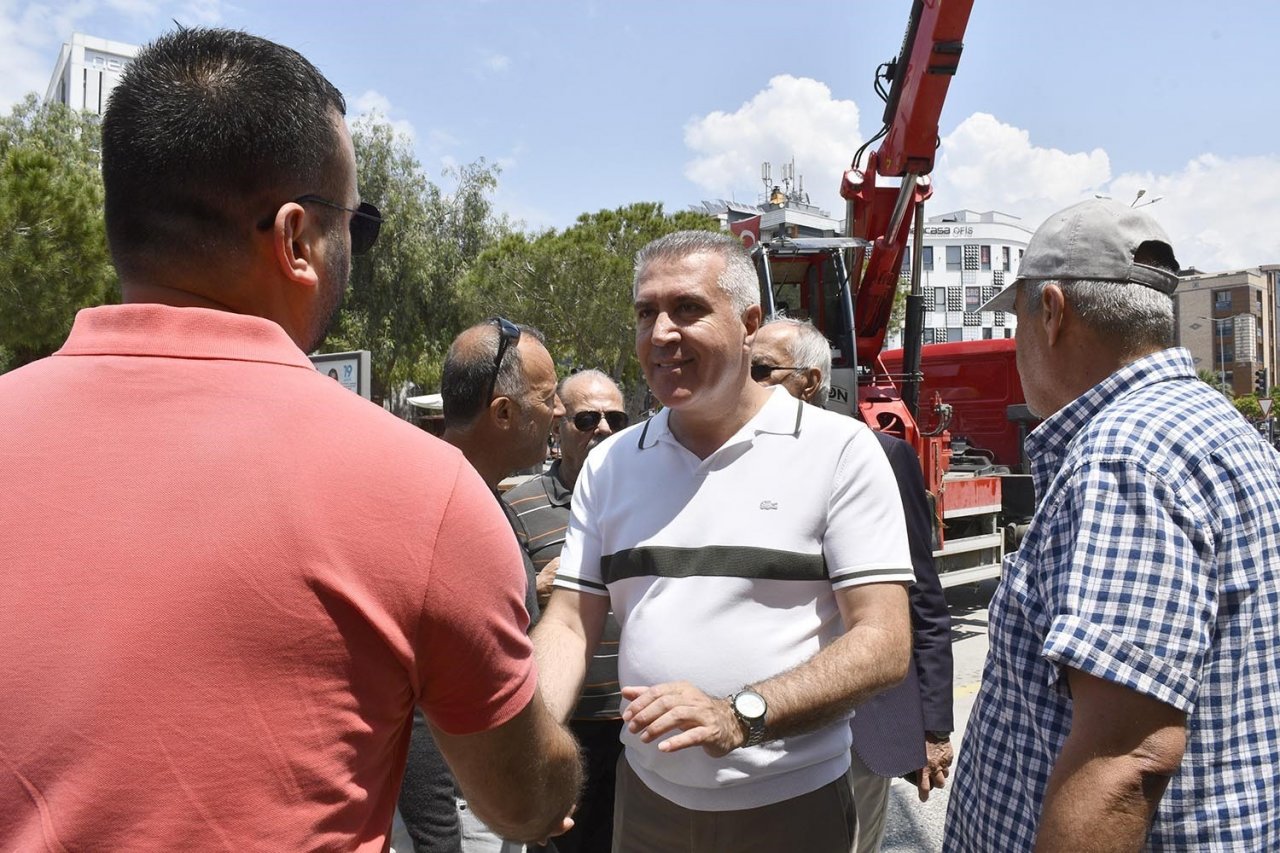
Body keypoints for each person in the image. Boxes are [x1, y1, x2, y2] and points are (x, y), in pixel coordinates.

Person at [0, 28, 580, 851]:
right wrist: (561, 638)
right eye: (358, 225)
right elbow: (523, 803)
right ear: (297, 239)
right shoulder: (422, 492)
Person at [533, 230, 915, 852]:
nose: (661, 333)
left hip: (792, 805)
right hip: (647, 802)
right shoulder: (610, 465)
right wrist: (532, 746)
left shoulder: (839, 450)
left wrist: (741, 715)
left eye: (687, 308)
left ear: (749, 324)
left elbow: (884, 641)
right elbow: (572, 624)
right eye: (646, 313)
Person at [945, 199, 1280, 850]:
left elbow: (1127, 762)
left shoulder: (1123, 457)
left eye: (1016, 320)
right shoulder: (1226, 429)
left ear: (1051, 312)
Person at [750, 317, 953, 853]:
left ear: (810, 381)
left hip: (860, 727)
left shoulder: (879, 456)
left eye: (761, 370)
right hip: (762, 721)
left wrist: (933, 727)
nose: (745, 382)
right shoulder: (731, 463)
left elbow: (922, 597)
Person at [398, 318, 562, 853]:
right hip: (463, 815)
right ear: (504, 413)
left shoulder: (477, 497)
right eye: (549, 398)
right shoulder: (441, 511)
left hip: (491, 801)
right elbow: (419, 704)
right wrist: (438, 840)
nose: (559, 411)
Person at [504, 369, 630, 853]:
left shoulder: (650, 500)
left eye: (615, 418)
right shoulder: (519, 505)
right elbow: (497, 603)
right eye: (587, 419)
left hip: (637, 725)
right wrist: (538, 588)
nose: (603, 428)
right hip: (564, 726)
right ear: (558, 426)